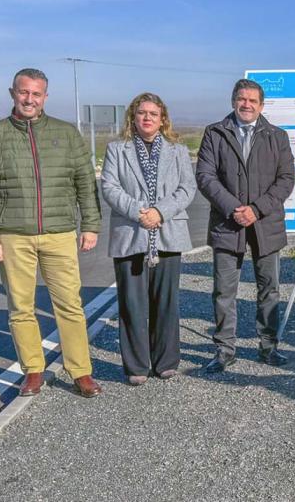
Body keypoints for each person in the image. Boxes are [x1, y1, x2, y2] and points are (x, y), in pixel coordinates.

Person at [0, 68, 103, 398]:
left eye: (36, 94)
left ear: (45, 96)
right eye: (23, 92)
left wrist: (91, 224)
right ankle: (32, 370)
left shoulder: (66, 133)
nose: (29, 99)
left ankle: (80, 371)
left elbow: (85, 183)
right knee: (20, 306)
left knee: (70, 304)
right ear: (12, 93)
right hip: (13, 235)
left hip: (59, 232)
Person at [196, 79, 295, 373]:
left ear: (262, 105)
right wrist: (233, 208)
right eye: (242, 99)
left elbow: (286, 179)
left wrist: (256, 209)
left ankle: (268, 346)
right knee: (224, 290)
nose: (247, 105)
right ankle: (225, 350)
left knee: (269, 289)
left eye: (253, 100)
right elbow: (205, 176)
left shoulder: (277, 136)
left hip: (266, 224)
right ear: (233, 101)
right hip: (228, 224)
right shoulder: (215, 133)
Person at [100, 92, 196, 385]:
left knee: (166, 302)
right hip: (131, 233)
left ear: (162, 119)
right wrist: (138, 211)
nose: (147, 118)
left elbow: (187, 188)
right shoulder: (118, 149)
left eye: (153, 114)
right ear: (133, 116)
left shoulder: (177, 151)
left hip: (167, 232)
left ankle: (166, 361)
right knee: (132, 303)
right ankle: (137, 366)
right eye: (142, 113)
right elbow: (109, 186)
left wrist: (159, 212)